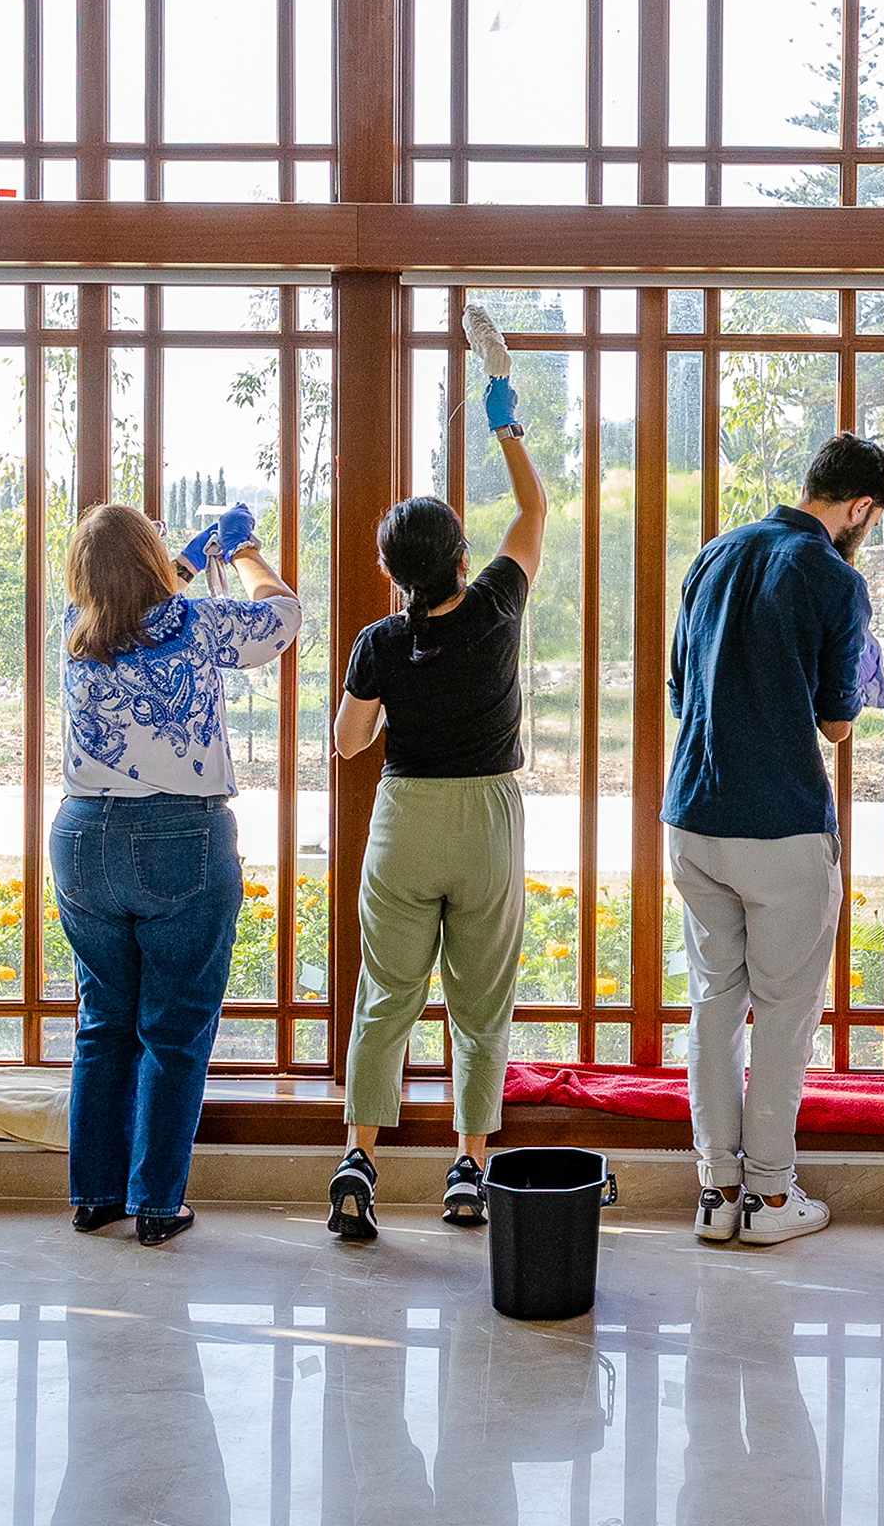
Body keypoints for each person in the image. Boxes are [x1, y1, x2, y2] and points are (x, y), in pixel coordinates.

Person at [324, 371, 546, 1241]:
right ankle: (468, 1168)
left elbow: (348, 744)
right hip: (486, 819)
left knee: (387, 994)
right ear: (463, 558)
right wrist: (506, 428)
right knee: (480, 1001)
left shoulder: (379, 641)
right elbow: (532, 517)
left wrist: (382, 697)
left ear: (388, 570)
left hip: (404, 819)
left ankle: (358, 1160)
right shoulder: (495, 605)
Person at [666, 431, 884, 1247]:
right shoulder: (836, 579)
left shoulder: (713, 556)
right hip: (783, 825)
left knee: (712, 1006)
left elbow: (677, 692)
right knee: (786, 1011)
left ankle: (714, 1193)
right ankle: (769, 1199)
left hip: (692, 815)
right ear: (860, 507)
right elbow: (836, 723)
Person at [53, 498, 299, 1248]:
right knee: (174, 1030)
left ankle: (94, 1196)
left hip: (81, 839)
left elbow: (136, 603)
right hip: (178, 837)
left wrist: (186, 558)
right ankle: (158, 1204)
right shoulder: (201, 625)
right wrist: (246, 551)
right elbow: (282, 618)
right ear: (154, 566)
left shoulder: (70, 634)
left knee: (103, 1024)